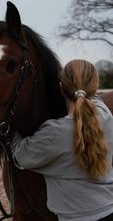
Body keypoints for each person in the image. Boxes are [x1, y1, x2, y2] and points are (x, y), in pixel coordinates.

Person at [11, 59, 113, 221]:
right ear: (95, 88)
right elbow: (93, 99)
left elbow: (19, 156)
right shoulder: (105, 114)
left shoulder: (53, 133)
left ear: (60, 87)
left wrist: (11, 126)